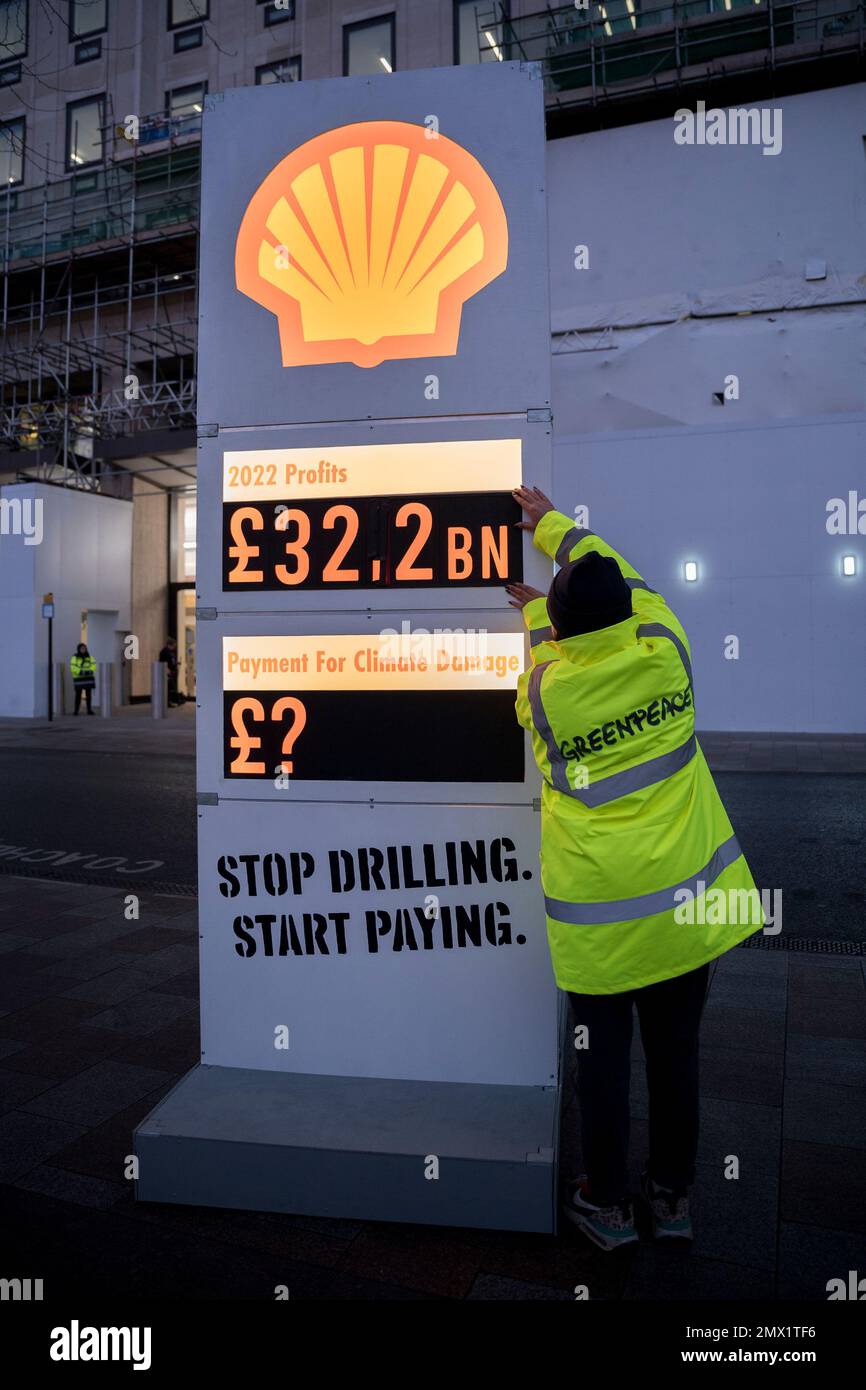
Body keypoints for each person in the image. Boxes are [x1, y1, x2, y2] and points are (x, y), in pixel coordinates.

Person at [506, 485, 764, 1253]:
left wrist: (531, 616)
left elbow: (552, 654)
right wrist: (555, 528)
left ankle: (608, 1204)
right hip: (689, 913)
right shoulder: (669, 648)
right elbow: (624, 573)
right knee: (677, 1059)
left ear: (559, 627)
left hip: (603, 929)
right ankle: (673, 1199)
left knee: (603, 1068)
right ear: (629, 614)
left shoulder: (547, 694)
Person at [69, 643, 96, 716]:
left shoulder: (90, 657)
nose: (83, 650)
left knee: (88, 695)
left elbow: (93, 665)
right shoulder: (74, 657)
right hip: (79, 679)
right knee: (78, 695)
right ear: (79, 649)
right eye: (81, 648)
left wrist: (90, 671)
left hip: (88, 678)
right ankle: (76, 710)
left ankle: (89, 710)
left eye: (84, 648)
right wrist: (81, 672)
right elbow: (73, 667)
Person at [158, 637, 181, 707]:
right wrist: (167, 671)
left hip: (172, 672)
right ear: (169, 644)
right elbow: (162, 662)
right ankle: (167, 702)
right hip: (167, 673)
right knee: (169, 688)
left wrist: (176, 663)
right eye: (174, 645)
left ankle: (171, 701)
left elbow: (172, 661)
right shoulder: (164, 652)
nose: (175, 647)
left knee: (171, 688)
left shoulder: (171, 652)